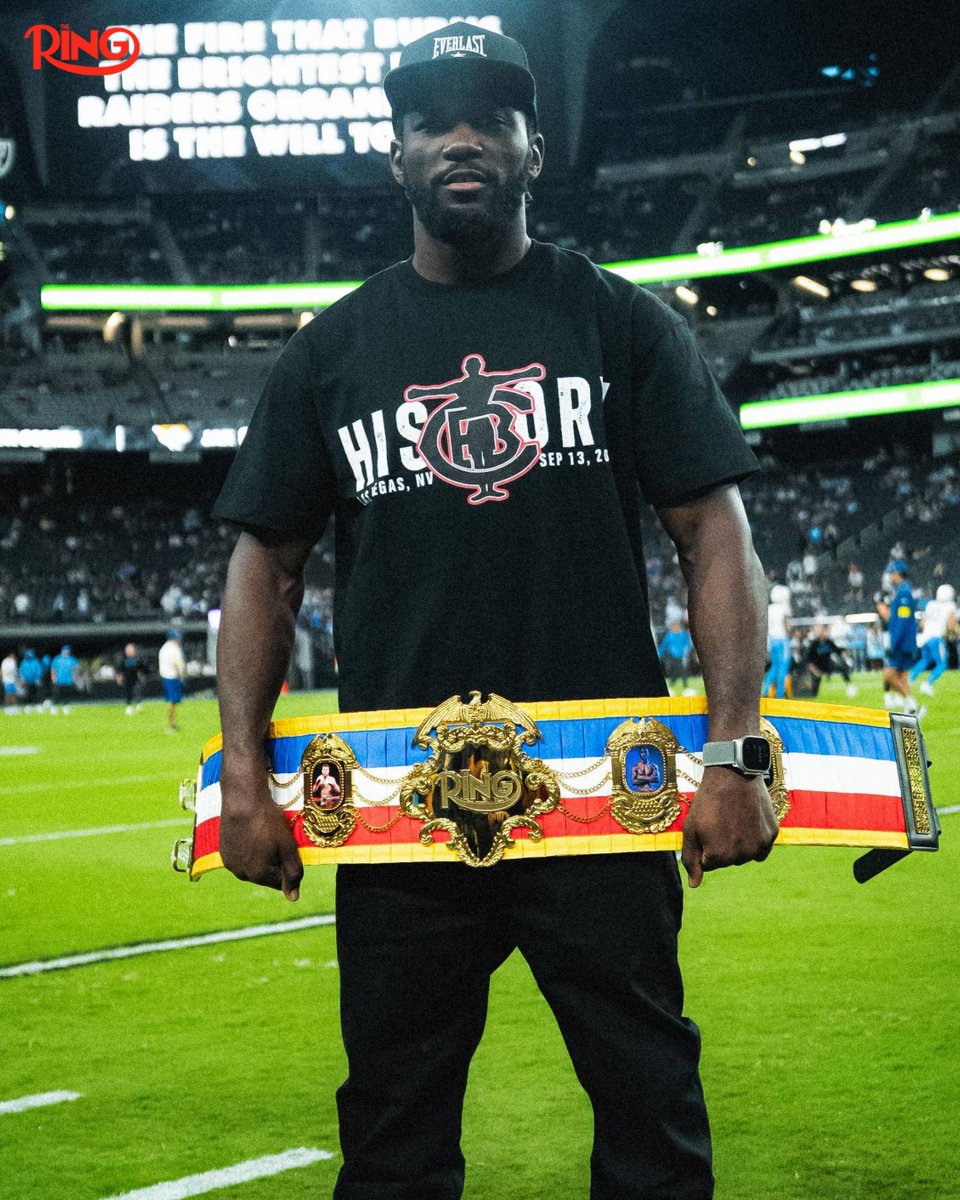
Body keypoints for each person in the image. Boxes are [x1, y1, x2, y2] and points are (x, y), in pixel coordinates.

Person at [211, 23, 778, 1200]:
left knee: (650, 1111)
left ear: (532, 149)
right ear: (396, 156)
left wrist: (733, 751)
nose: (459, 138)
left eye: (489, 118)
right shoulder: (331, 350)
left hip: (597, 793)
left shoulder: (619, 320)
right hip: (402, 809)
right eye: (429, 119)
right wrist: (242, 777)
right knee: (393, 1132)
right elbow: (265, 565)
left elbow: (711, 533)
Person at [877, 560, 922, 714]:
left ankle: (912, 705)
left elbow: (902, 621)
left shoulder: (903, 593)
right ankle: (910, 710)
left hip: (902, 642)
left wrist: (895, 641)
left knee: (889, 675)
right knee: (901, 677)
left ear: (898, 573)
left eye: (891, 573)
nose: (889, 576)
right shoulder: (903, 591)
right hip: (905, 641)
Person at [909, 583, 957, 696]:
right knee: (942, 664)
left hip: (926, 637)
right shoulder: (950, 606)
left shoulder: (930, 604)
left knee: (926, 660)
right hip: (936, 638)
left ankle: (910, 679)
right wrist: (948, 633)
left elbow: (922, 622)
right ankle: (927, 684)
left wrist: (929, 631)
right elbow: (951, 624)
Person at [805, 625, 856, 698]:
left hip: (828, 664)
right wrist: (815, 671)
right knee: (814, 690)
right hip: (817, 666)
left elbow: (838, 651)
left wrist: (846, 657)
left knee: (842, 668)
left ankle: (850, 685)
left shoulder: (828, 642)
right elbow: (809, 661)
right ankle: (813, 695)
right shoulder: (814, 644)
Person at [761, 583, 793, 699]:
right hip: (783, 640)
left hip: (773, 640)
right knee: (783, 667)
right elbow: (786, 624)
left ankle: (765, 691)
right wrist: (790, 635)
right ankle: (780, 694)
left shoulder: (770, 608)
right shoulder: (785, 608)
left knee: (774, 666)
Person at [158, 630, 185, 732]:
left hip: (167, 676)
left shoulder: (164, 648)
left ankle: (172, 722)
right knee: (173, 702)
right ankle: (170, 724)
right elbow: (176, 662)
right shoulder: (172, 648)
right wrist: (180, 675)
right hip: (172, 677)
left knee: (172, 702)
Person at [658, 618, 694, 692]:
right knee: (675, 670)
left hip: (682, 656)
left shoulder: (683, 634)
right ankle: (673, 682)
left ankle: (684, 684)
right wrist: (659, 654)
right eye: (673, 626)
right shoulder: (669, 636)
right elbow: (664, 646)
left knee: (682, 669)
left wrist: (687, 650)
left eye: (676, 626)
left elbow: (688, 643)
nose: (675, 628)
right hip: (672, 656)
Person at [115, 641, 145, 714]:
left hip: (135, 678)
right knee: (128, 693)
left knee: (137, 691)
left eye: (131, 649)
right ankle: (129, 707)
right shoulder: (123, 659)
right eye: (128, 649)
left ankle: (138, 705)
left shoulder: (137, 659)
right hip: (127, 679)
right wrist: (118, 677)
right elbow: (118, 669)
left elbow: (142, 668)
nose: (130, 651)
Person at [49, 644, 79, 714]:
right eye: (65, 650)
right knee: (56, 695)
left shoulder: (72, 660)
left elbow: (75, 670)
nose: (66, 652)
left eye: (68, 650)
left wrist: (75, 679)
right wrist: (53, 678)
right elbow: (53, 669)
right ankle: (54, 708)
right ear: (62, 651)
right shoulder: (57, 659)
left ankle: (66, 708)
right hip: (58, 681)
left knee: (67, 695)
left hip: (68, 681)